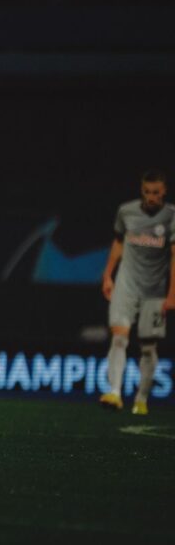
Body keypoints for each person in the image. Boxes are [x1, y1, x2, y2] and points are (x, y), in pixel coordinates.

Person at [99, 169, 175, 415]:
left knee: (148, 348)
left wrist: (173, 293)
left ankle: (141, 398)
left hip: (154, 291)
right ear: (141, 191)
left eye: (156, 192)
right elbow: (119, 242)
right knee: (119, 337)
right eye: (146, 192)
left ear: (164, 192)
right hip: (126, 286)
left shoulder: (171, 216)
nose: (151, 197)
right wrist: (108, 274)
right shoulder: (126, 211)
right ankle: (115, 393)